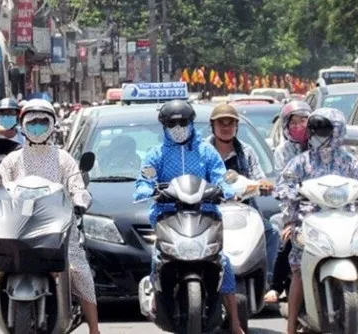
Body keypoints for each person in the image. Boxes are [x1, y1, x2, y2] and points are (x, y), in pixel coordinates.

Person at [133, 100, 244, 334]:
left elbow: (220, 176)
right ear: (163, 125)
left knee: (223, 261)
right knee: (158, 257)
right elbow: (144, 180)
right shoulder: (156, 154)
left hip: (205, 214)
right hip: (168, 215)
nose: (178, 127)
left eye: (183, 122)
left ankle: (234, 321)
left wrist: (224, 188)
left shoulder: (206, 151)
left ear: (192, 123)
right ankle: (156, 297)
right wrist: (150, 190)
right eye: (172, 123)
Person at [0, 99, 100, 334]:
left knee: (78, 270)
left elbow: (76, 185)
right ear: (22, 125)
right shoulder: (12, 160)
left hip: (59, 227)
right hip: (17, 226)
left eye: (43, 121)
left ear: (53, 124)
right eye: (32, 122)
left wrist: (80, 197)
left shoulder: (64, 158)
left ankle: (94, 328)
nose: (38, 126)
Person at [276, 108, 358, 334]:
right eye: (314, 129)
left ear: (337, 131)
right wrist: (288, 194)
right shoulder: (302, 162)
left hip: (347, 222)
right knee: (300, 269)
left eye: (324, 129)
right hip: (309, 222)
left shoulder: (353, 161)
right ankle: (291, 325)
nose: (318, 134)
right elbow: (284, 183)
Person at [207, 104, 279, 284]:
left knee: (272, 232)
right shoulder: (203, 152)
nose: (225, 128)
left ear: (236, 126)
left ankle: (266, 283)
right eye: (221, 123)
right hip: (211, 212)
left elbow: (258, 178)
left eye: (230, 123)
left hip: (244, 211)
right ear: (212, 126)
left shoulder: (247, 152)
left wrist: (262, 185)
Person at [264, 100, 312, 304]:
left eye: (304, 121)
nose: (300, 126)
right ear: (286, 125)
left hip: (322, 205)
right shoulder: (283, 152)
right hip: (294, 207)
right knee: (288, 239)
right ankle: (276, 286)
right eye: (294, 122)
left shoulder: (320, 145)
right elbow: (284, 183)